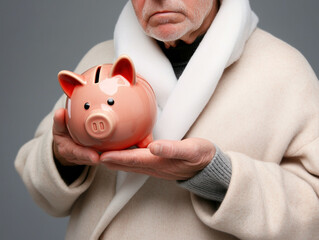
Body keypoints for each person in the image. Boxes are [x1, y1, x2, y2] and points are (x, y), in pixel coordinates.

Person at [15, 0, 319, 239]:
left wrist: (218, 176)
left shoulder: (283, 70)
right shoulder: (99, 62)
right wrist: (62, 160)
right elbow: (39, 187)